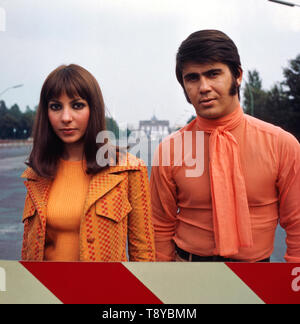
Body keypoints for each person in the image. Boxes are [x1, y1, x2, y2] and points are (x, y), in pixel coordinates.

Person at [150, 30, 300, 263]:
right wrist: (163, 285)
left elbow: (297, 224)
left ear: (237, 75)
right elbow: (159, 226)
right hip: (187, 275)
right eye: (192, 78)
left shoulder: (281, 144)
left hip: (257, 279)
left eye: (213, 74)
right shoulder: (170, 149)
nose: (204, 87)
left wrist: (293, 286)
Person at [21, 64, 155, 262]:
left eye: (77, 105)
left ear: (94, 109)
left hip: (105, 290)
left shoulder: (128, 169)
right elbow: (27, 251)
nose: (66, 118)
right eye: (56, 107)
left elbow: (143, 253)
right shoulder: (36, 173)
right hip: (44, 290)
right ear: (46, 113)